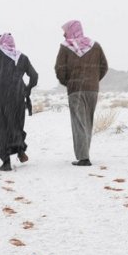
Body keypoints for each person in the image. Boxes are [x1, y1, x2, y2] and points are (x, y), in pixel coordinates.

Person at [0, 33, 39, 171]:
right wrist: (27, 90)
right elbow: (34, 76)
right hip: (17, 96)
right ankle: (20, 150)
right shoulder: (22, 57)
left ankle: (6, 161)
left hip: (1, 96)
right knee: (16, 124)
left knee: (2, 126)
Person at [54, 20, 108, 166]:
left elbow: (59, 69)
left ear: (71, 30)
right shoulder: (95, 46)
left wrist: (69, 82)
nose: (64, 34)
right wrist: (94, 80)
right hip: (92, 90)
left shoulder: (65, 47)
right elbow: (104, 67)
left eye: (65, 30)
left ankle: (83, 158)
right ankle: (85, 154)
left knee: (79, 123)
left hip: (76, 90)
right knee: (88, 122)